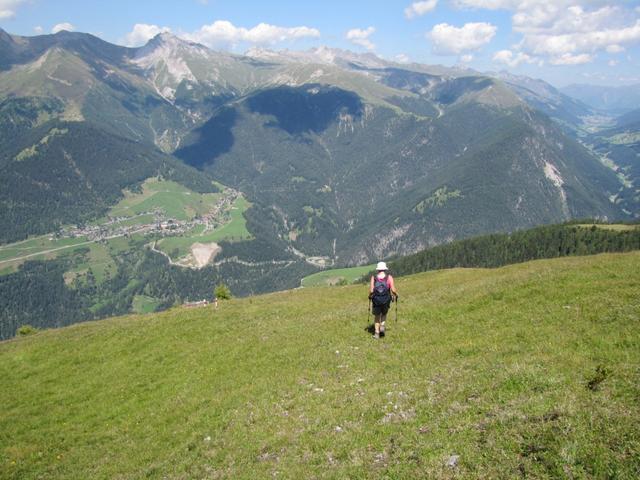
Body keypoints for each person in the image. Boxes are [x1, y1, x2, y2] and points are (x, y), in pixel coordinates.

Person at [368, 261, 398, 339]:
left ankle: (377, 334)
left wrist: (369, 296)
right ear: (385, 269)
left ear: (378, 269)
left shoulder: (374, 278)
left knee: (377, 316)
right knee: (384, 314)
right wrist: (396, 295)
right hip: (386, 299)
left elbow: (371, 291)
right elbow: (393, 290)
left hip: (376, 300)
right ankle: (382, 326)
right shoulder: (389, 277)